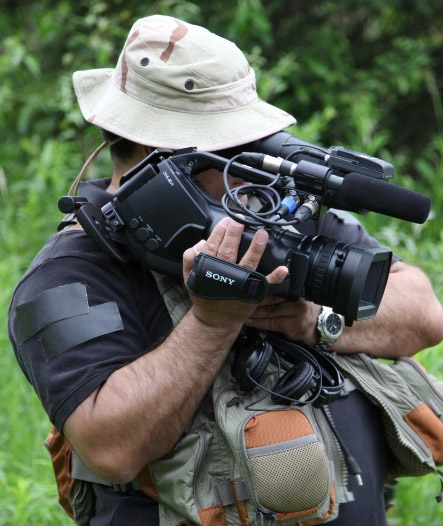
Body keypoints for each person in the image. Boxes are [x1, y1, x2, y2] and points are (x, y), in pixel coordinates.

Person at [8, 14, 443, 526]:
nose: (251, 166)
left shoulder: (267, 210)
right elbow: (109, 445)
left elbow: (424, 313)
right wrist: (212, 322)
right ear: (161, 158)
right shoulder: (69, 274)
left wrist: (318, 321)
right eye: (233, 149)